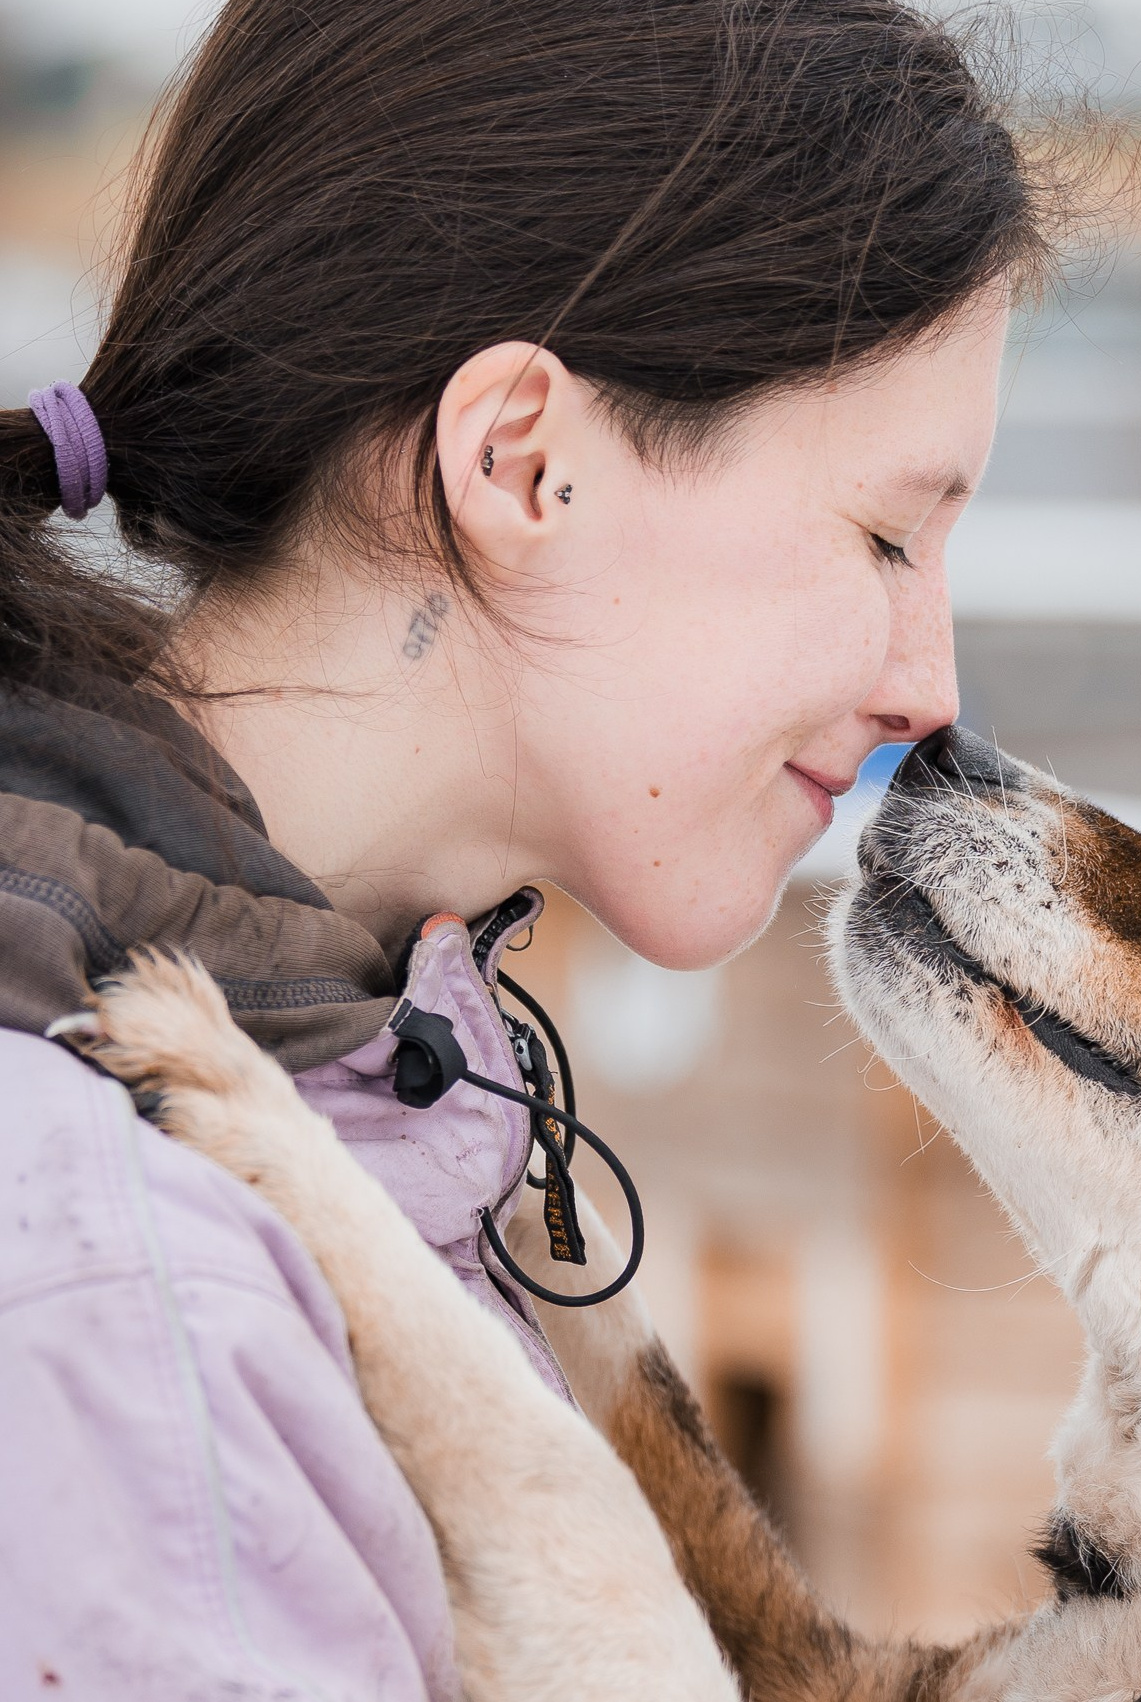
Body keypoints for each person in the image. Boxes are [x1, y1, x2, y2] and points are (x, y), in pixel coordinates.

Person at [0, 0, 1079, 1692]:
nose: (927, 687)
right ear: (523, 462)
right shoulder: (114, 1299)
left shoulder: (351, 1091)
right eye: (884, 533)